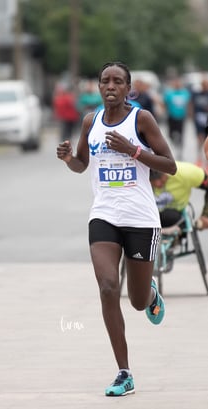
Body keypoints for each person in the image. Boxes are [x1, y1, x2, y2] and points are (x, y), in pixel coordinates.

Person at [56, 61, 176, 397]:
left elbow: (171, 165)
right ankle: (124, 372)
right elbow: (82, 164)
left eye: (118, 81)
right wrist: (69, 159)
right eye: (105, 81)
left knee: (137, 302)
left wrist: (133, 150)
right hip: (104, 215)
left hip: (140, 218)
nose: (110, 86)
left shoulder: (141, 120)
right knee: (109, 287)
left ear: (128, 88)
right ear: (98, 87)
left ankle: (149, 292)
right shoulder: (90, 121)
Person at [150, 161, 208, 230]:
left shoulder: (186, 173)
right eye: (153, 180)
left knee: (170, 216)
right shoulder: (140, 178)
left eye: (160, 178)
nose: (157, 184)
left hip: (174, 216)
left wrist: (206, 215)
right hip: (151, 216)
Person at [163, 76, 191, 160]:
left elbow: (189, 103)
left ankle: (180, 150)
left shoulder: (185, 92)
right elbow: (165, 103)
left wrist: (189, 113)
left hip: (181, 117)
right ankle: (175, 142)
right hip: (171, 116)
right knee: (170, 134)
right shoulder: (169, 93)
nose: (177, 84)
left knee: (181, 134)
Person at [189, 75, 208, 168]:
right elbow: (191, 103)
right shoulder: (197, 94)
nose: (204, 86)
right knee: (199, 139)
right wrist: (191, 114)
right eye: (203, 84)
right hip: (199, 118)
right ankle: (199, 158)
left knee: (206, 139)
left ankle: (206, 160)